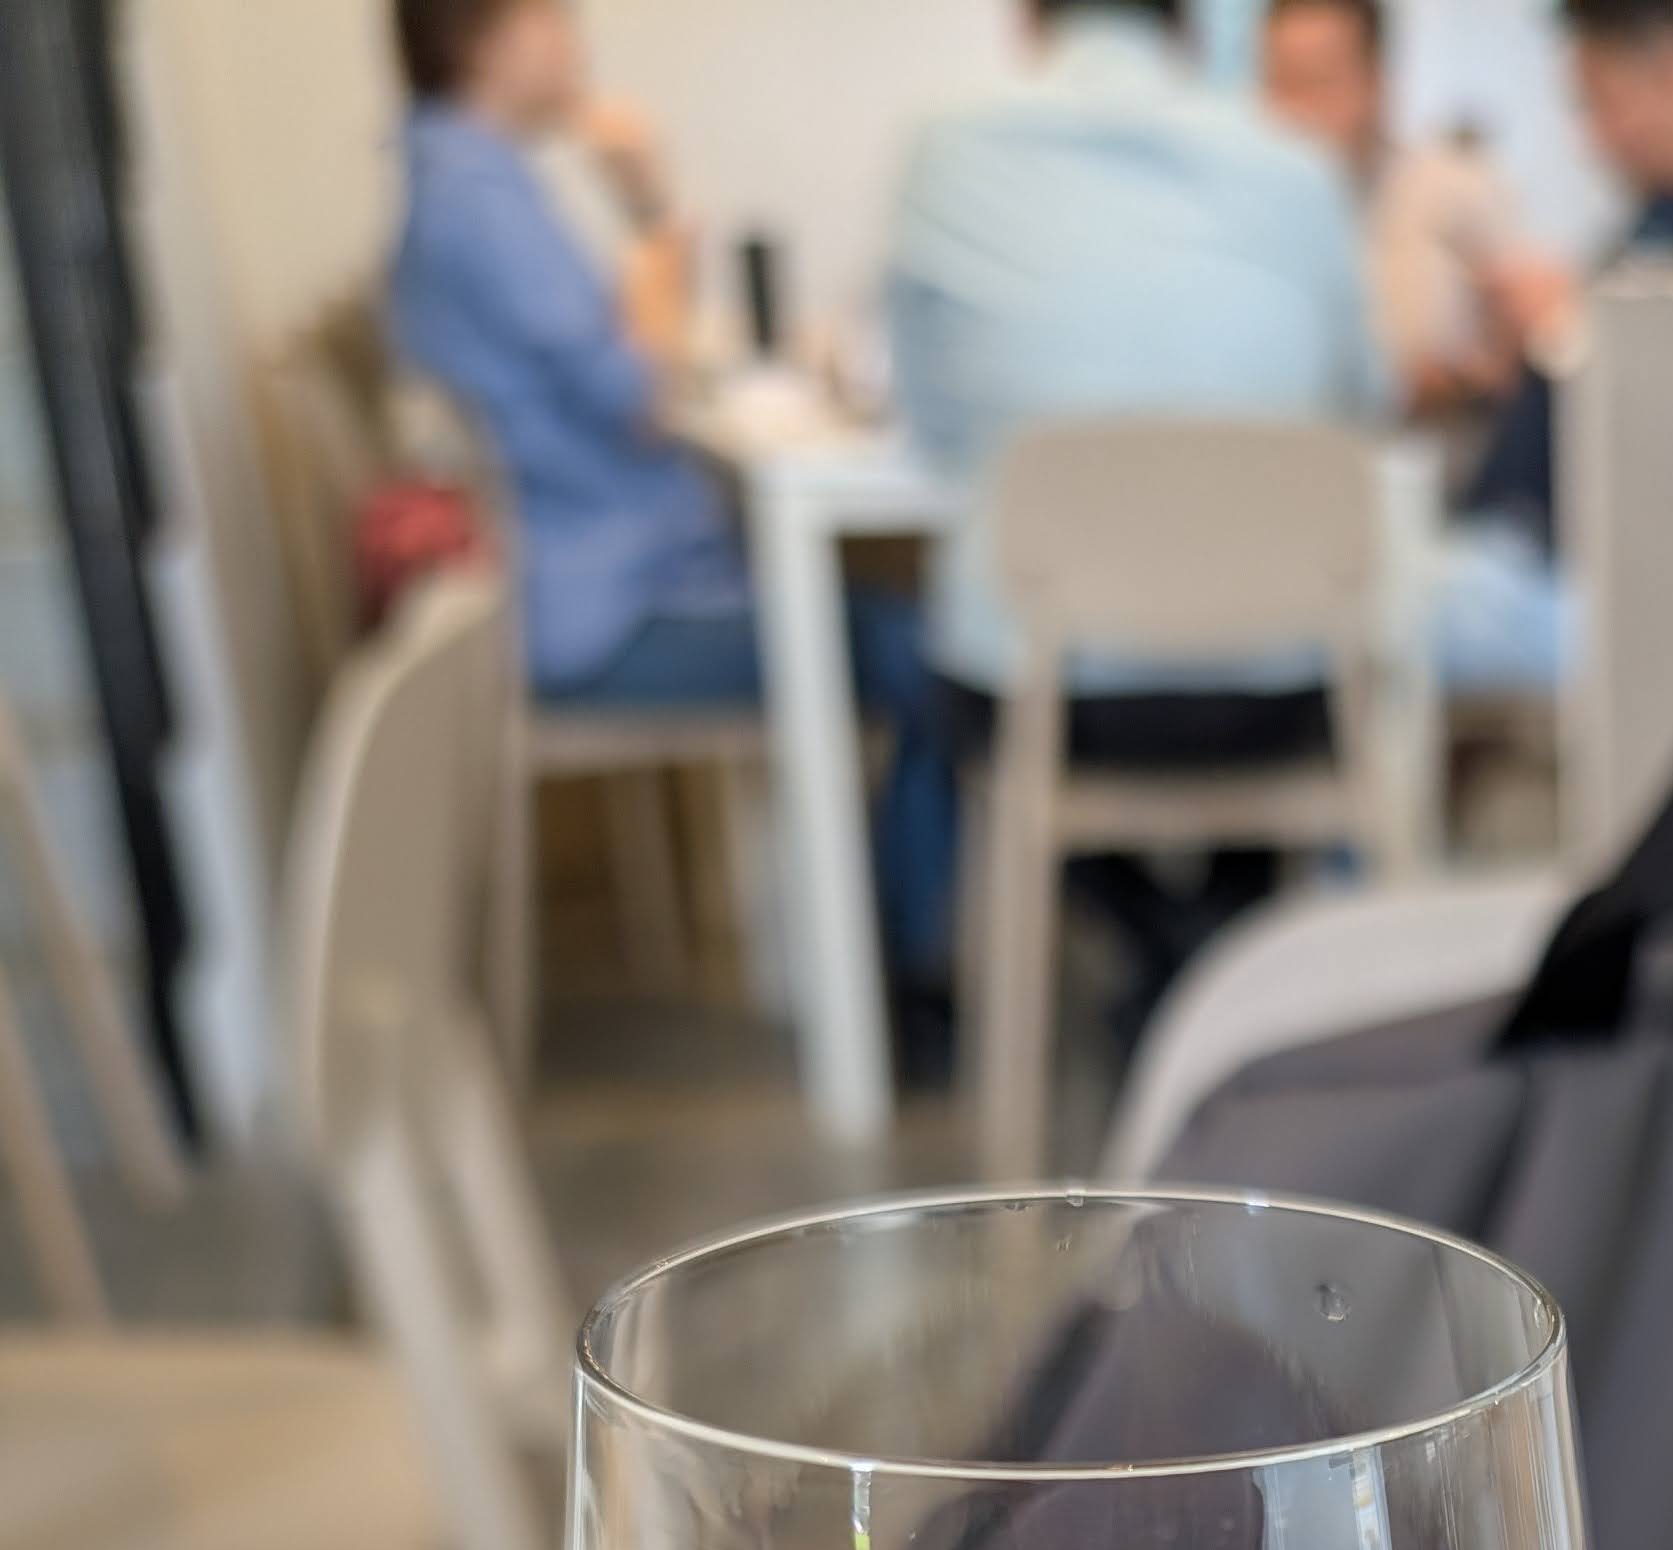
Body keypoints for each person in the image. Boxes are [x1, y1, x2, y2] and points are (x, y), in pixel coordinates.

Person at [386, 0, 958, 984]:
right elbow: (641, 396)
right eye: (555, 17)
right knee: (926, 651)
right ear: (486, 36)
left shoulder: (457, 180)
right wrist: (652, 209)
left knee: (894, 624)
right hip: (602, 616)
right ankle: (897, 973)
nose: (577, 41)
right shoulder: (477, 199)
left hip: (592, 584)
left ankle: (882, 951)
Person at [886, 0, 1388, 1051]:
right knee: (1255, 678)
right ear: (1192, 33)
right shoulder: (1299, 169)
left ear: (1028, 23)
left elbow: (936, 430)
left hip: (1052, 693)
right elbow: (1357, 406)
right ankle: (1202, 960)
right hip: (1281, 689)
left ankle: (1160, 954)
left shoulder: (946, 151)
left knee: (969, 688)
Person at [1434, 0, 1673, 696]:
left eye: (1602, 102)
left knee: (1363, 603)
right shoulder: (1647, 237)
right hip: (1516, 559)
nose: (1591, 139)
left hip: (1571, 588)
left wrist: (1564, 331)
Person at [1259, 0, 1568, 424]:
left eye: (1319, 81)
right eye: (1280, 82)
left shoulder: (1457, 195)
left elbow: (1531, 354)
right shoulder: (1249, 220)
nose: (1297, 110)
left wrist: (1462, 382)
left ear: (1375, 80)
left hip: (1438, 451)